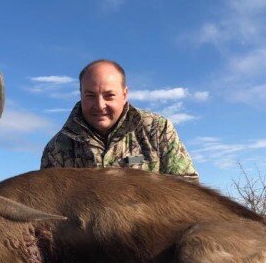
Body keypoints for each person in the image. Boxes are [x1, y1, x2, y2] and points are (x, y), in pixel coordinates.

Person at [41, 59, 199, 182]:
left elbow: (188, 189)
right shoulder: (56, 148)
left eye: (109, 95)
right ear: (80, 94)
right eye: (90, 96)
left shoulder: (158, 130)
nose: (99, 105)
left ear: (124, 95)